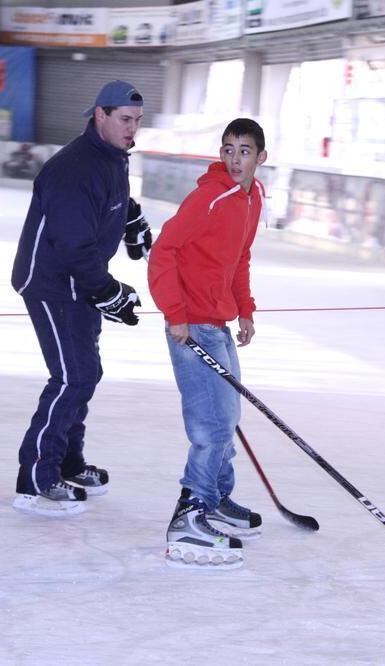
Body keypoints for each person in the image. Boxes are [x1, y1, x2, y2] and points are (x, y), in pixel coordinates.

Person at [9, 80, 147, 517]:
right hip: (53, 284)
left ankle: (67, 461)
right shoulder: (73, 169)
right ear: (100, 115)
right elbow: (73, 244)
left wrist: (131, 214)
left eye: (138, 121)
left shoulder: (110, 158)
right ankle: (36, 478)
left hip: (78, 285)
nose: (133, 130)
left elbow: (106, 200)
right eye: (125, 120)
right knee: (73, 377)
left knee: (85, 373)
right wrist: (107, 292)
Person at [148, 118, 268, 569]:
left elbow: (240, 256)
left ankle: (216, 498)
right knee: (212, 424)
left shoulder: (252, 197)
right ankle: (190, 516)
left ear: (261, 157)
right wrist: (174, 314)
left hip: (217, 320)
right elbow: (164, 252)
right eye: (229, 149)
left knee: (228, 416)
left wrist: (246, 308)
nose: (235, 159)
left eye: (245, 150)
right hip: (192, 324)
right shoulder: (209, 197)